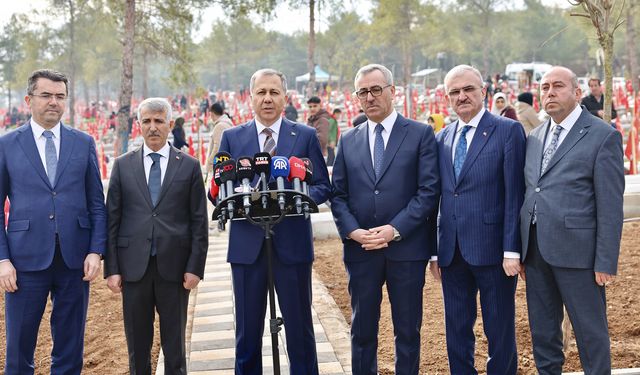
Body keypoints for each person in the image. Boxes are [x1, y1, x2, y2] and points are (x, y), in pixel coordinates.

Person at [218, 68, 331, 375]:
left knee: (300, 331)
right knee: (247, 334)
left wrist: (298, 197)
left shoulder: (305, 136)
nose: (267, 99)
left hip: (292, 244)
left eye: (274, 93)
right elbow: (215, 189)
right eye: (261, 93)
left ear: (284, 97)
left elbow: (321, 185)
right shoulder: (231, 137)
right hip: (246, 248)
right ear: (250, 97)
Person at [331, 64, 440, 375]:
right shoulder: (348, 139)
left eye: (376, 89)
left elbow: (428, 191)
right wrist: (352, 231)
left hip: (406, 250)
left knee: (407, 331)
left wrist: (395, 229)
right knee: (362, 331)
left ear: (393, 91)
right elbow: (338, 194)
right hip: (361, 251)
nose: (370, 97)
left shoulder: (420, 134)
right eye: (363, 92)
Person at [0, 69, 107, 374]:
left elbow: (96, 204)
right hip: (23, 263)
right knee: (19, 351)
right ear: (28, 99)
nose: (54, 102)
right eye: (46, 95)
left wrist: (95, 251)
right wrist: (3, 259)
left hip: (74, 261)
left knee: (70, 349)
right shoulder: (6, 145)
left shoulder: (83, 142)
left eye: (60, 96)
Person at [520, 66, 624, 374]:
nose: (549, 92)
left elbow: (610, 204)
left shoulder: (602, 135)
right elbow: (532, 190)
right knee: (544, 336)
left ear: (577, 93)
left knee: (590, 336)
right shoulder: (536, 136)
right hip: (536, 252)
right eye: (544, 87)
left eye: (557, 86)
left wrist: (605, 260)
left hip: (579, 255)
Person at [430, 65, 526, 375]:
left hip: (494, 250)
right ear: (447, 98)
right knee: (456, 329)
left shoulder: (507, 130)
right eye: (455, 92)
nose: (462, 96)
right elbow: (438, 197)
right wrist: (435, 251)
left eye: (468, 89)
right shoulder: (442, 137)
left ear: (482, 91)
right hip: (452, 251)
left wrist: (512, 249)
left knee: (499, 328)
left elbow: (515, 193)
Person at [104, 97, 208, 375]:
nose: (153, 127)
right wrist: (112, 269)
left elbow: (199, 221)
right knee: (137, 346)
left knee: (174, 345)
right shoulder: (122, 166)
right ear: (138, 125)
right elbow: (112, 220)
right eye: (147, 121)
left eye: (159, 121)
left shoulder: (188, 166)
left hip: (174, 269)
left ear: (170, 124)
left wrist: (195, 267)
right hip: (133, 268)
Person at [204, 102, 234, 177]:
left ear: (212, 114)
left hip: (218, 166)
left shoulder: (219, 126)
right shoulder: (228, 124)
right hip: (228, 163)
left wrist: (210, 162)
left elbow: (217, 148)